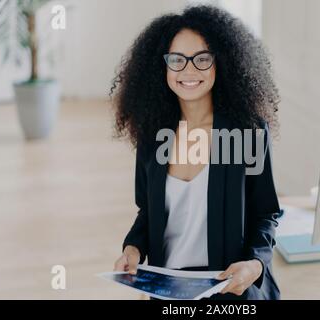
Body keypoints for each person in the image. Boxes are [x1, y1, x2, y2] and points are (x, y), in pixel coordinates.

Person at [111, 5, 281, 300]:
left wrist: (255, 265)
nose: (188, 70)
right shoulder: (153, 135)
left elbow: (265, 213)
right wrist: (133, 248)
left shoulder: (247, 132)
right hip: (169, 290)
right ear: (162, 66)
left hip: (231, 290)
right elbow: (147, 212)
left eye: (202, 59)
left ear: (221, 62)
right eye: (177, 60)